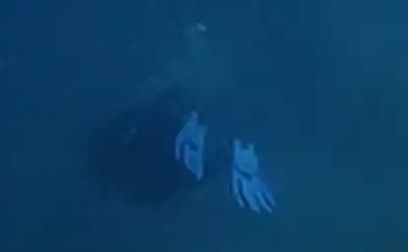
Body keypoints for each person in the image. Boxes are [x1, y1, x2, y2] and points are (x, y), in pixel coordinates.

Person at [85, 89, 276, 215]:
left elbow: (189, 176)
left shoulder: (158, 127)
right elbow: (189, 177)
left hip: (147, 186)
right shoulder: (143, 124)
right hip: (142, 184)